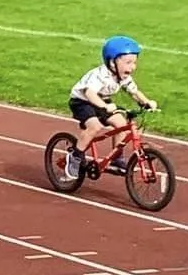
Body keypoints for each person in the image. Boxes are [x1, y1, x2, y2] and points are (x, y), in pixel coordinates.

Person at [66, 36, 158, 177]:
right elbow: (90, 93)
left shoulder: (123, 77)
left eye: (134, 62)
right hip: (82, 101)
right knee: (95, 126)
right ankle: (75, 156)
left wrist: (146, 102)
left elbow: (134, 92)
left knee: (121, 124)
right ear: (112, 63)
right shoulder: (100, 75)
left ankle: (116, 158)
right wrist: (104, 106)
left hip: (102, 101)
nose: (132, 67)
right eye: (128, 62)